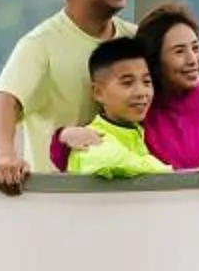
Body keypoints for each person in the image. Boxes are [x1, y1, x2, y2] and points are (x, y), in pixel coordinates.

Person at [54, 0, 199, 184]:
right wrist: (63, 137)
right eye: (179, 51)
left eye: (196, 47)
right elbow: (99, 143)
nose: (192, 59)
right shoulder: (141, 107)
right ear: (155, 60)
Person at [0, 0, 134, 195]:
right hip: (60, 201)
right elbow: (4, 102)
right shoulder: (40, 45)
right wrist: (6, 156)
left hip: (129, 195)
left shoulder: (135, 38)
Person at [64, 36, 169, 179]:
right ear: (98, 92)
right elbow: (124, 162)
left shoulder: (142, 133)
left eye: (146, 81)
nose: (141, 92)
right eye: (127, 83)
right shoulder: (89, 140)